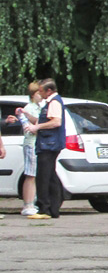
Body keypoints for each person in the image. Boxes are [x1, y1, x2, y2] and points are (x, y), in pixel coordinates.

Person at [26, 78, 65, 220]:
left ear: (49, 91)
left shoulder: (54, 102)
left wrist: (37, 127)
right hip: (50, 143)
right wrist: (27, 116)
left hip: (49, 144)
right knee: (51, 176)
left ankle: (44, 209)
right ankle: (54, 208)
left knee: (43, 176)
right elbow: (42, 120)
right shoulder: (51, 103)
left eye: (41, 90)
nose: (39, 93)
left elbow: (56, 121)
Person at [5, 81, 43, 215]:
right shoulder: (29, 108)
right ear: (34, 94)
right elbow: (32, 128)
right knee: (30, 174)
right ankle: (28, 204)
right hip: (31, 143)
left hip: (38, 144)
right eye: (39, 93)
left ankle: (34, 202)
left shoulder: (39, 107)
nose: (42, 96)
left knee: (35, 174)